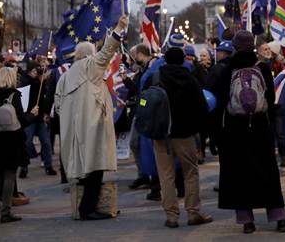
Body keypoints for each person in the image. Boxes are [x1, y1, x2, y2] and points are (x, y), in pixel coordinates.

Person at [214, 30, 285, 234]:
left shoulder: (227, 69)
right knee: (268, 172)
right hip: (260, 126)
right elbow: (271, 99)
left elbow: (220, 102)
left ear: (235, 47)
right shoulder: (262, 68)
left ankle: (247, 220)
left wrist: (217, 135)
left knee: (240, 174)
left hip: (235, 128)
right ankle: (278, 217)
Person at [55, 15, 128, 220]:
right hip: (92, 127)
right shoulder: (91, 66)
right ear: (90, 55)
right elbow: (108, 51)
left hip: (73, 132)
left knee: (85, 169)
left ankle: (91, 206)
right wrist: (119, 28)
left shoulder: (65, 75)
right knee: (95, 169)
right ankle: (88, 209)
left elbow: (58, 106)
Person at [150, 46, 213, 228]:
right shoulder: (190, 79)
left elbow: (145, 102)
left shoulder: (156, 78)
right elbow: (202, 107)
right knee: (191, 173)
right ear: (183, 60)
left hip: (162, 135)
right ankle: (193, 212)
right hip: (185, 135)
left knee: (166, 175)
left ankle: (171, 216)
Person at [0, 67, 37, 224]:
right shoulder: (13, 95)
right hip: (12, 139)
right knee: (9, 175)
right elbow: (21, 121)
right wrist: (32, 114)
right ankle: (6, 211)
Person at [123, 44, 154, 190]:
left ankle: (150, 176)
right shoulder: (141, 71)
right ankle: (143, 174)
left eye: (135, 55)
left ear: (141, 54)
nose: (133, 59)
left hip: (147, 112)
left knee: (140, 144)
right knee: (135, 144)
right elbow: (136, 90)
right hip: (139, 111)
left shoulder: (151, 69)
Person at [21, 59, 57, 178]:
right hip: (29, 117)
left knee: (46, 142)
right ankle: (24, 166)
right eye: (34, 70)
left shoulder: (41, 82)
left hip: (40, 117)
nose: (37, 73)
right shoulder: (25, 80)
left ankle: (48, 166)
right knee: (27, 142)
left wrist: (46, 113)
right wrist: (34, 78)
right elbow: (25, 86)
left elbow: (46, 95)